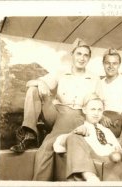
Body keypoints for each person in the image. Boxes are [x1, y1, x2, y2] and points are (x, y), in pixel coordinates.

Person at [10, 38, 100, 181]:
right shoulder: (61, 73)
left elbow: (98, 103)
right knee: (33, 89)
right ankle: (29, 134)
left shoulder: (94, 79)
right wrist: (41, 83)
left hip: (76, 116)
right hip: (56, 112)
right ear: (72, 55)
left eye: (85, 55)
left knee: (47, 147)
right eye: (79, 54)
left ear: (89, 58)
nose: (82, 58)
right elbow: (29, 83)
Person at [53, 93, 122, 181]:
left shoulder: (107, 131)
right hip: (92, 164)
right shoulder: (79, 127)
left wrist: (117, 151)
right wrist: (74, 132)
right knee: (73, 137)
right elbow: (57, 145)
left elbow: (119, 151)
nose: (96, 113)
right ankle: (90, 177)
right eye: (92, 109)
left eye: (99, 110)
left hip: (110, 164)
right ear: (84, 110)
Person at [96, 48, 122, 147]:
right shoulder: (99, 83)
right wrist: (101, 116)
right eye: (107, 63)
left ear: (119, 65)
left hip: (117, 123)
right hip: (100, 119)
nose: (111, 66)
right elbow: (96, 106)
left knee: (102, 143)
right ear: (103, 64)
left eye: (115, 63)